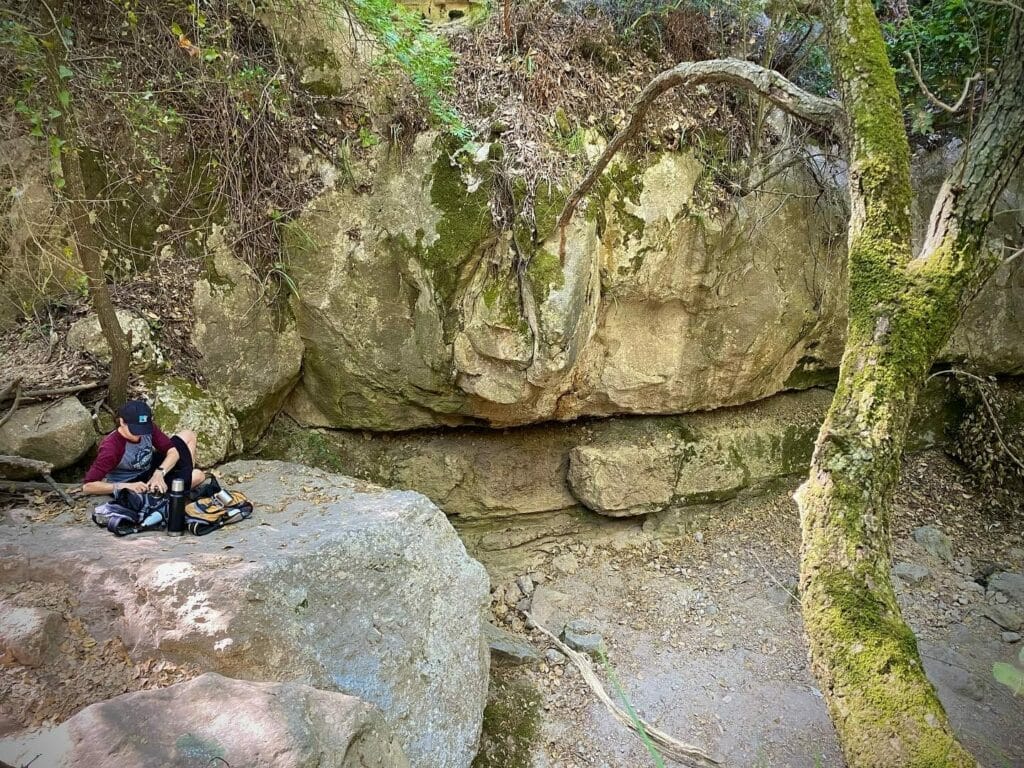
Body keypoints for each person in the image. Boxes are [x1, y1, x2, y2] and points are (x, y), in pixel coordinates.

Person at [82, 400, 205, 496]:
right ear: (122, 422)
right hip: (133, 481)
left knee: (188, 435)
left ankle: (183, 478)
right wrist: (124, 487)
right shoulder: (111, 448)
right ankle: (180, 484)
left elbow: (172, 451)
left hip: (151, 466)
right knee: (198, 476)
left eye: (143, 429)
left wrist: (159, 473)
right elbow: (88, 486)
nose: (140, 434)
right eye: (135, 430)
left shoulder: (149, 427)